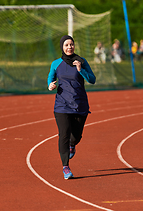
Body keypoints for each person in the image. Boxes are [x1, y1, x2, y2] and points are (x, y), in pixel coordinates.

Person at [47, 35, 96, 180]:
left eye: (71, 45)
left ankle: (72, 144)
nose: (69, 47)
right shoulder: (56, 64)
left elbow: (92, 80)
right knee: (64, 134)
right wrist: (50, 85)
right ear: (62, 47)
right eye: (66, 45)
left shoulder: (81, 61)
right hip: (62, 105)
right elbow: (50, 77)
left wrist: (80, 69)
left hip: (80, 104)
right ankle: (65, 167)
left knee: (76, 136)